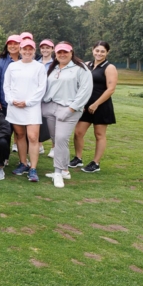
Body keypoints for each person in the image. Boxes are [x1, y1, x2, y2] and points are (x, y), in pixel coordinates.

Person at [42, 42, 93, 188]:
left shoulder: (81, 69)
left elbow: (85, 91)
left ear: (71, 53)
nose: (62, 55)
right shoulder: (54, 68)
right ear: (55, 54)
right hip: (50, 108)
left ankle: (58, 173)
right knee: (57, 140)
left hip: (69, 109)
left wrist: (71, 109)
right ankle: (64, 170)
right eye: (59, 52)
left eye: (65, 52)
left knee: (61, 138)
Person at [3, 39, 48, 182]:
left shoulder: (39, 67)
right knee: (20, 135)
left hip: (32, 107)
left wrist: (28, 102)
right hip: (15, 107)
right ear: (20, 50)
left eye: (30, 49)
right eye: (24, 49)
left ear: (34, 51)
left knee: (33, 137)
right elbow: (7, 86)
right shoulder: (12, 66)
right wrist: (11, 100)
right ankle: (23, 163)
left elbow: (42, 88)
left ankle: (33, 168)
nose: (27, 52)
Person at [73, 41, 118, 173]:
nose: (99, 53)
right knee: (78, 133)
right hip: (86, 105)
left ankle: (95, 163)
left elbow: (111, 89)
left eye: (102, 51)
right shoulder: (87, 65)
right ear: (93, 50)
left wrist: (96, 104)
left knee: (99, 134)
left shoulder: (110, 67)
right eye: (97, 50)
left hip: (101, 106)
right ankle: (78, 158)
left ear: (107, 53)